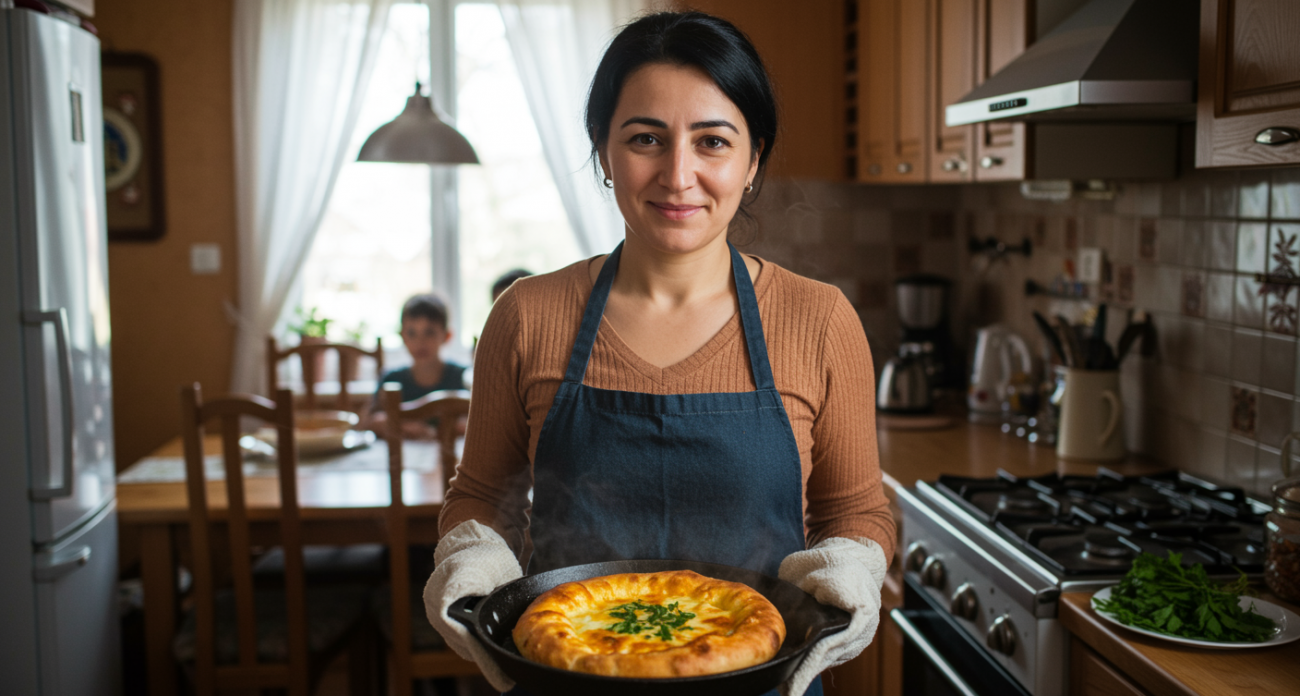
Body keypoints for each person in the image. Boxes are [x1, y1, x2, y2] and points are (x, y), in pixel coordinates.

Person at [426, 12, 894, 696]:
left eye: (713, 142)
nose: (679, 175)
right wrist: (474, 559)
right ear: (603, 151)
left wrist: (851, 566)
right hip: (567, 671)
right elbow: (481, 496)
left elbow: (855, 510)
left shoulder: (819, 320)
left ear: (753, 157)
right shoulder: (527, 315)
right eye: (646, 138)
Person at [366, 293, 466, 439]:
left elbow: (476, 421)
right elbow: (369, 421)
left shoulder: (463, 378)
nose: (421, 342)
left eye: (429, 332)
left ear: (447, 336)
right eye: (412, 333)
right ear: (402, 336)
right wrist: (410, 427)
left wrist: (436, 431)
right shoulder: (391, 380)